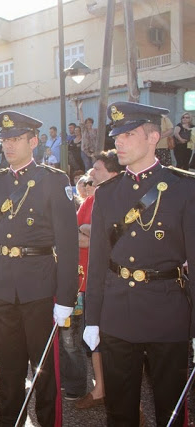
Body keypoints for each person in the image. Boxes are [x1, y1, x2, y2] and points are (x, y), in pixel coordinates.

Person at [83, 102, 195, 426]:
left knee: (170, 409)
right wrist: (93, 318)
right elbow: (98, 263)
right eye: (116, 135)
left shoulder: (184, 188)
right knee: (119, 411)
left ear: (153, 138)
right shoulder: (106, 194)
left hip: (167, 310)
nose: (118, 141)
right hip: (118, 312)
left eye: (128, 134)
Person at [0, 111, 78, 426]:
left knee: (45, 370)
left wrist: (65, 297)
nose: (8, 145)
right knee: (8, 369)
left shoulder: (54, 180)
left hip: (39, 286)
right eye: (4, 139)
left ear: (33, 141)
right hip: (4, 288)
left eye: (16, 138)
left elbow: (67, 244)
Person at [72, 150, 122, 410]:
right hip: (89, 281)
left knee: (118, 342)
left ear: (113, 172)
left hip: (115, 281)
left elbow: (117, 242)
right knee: (94, 338)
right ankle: (100, 388)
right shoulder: (91, 200)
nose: (90, 176)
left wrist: (90, 234)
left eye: (96, 171)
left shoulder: (122, 197)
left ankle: (128, 403)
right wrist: (91, 235)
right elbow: (73, 235)